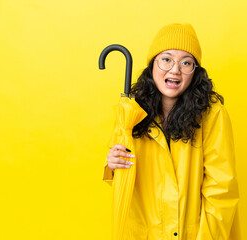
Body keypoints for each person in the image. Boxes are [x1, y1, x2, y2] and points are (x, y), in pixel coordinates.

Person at [103, 23, 240, 240]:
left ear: (195, 72)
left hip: (196, 234)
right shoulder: (131, 111)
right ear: (152, 65)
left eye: (186, 63)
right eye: (166, 59)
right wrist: (111, 164)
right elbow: (120, 173)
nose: (175, 69)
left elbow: (221, 190)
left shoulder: (212, 114)